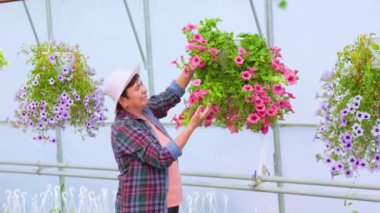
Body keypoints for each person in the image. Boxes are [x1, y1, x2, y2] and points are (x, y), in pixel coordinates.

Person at [104, 65, 211, 213]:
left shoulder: (145, 111)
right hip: (145, 206)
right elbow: (161, 157)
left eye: (141, 84)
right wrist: (191, 126)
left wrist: (192, 66)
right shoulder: (124, 127)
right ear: (123, 101)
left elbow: (170, 95)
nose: (143, 89)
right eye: (136, 88)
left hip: (167, 202)